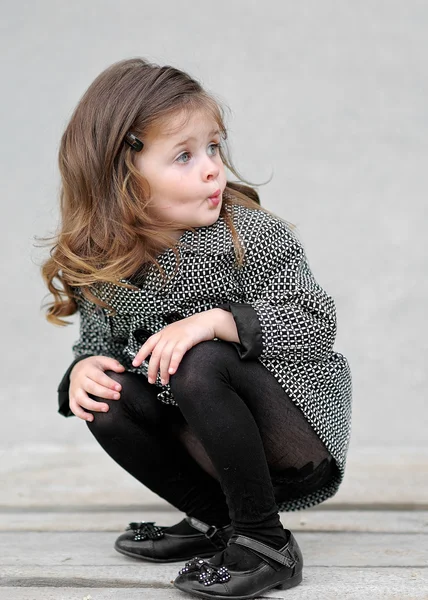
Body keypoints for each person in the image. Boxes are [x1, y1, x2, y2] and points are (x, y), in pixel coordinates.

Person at [41, 57, 352, 599]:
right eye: (184, 156)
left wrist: (219, 323)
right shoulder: (106, 262)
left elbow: (315, 323)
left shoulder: (247, 233)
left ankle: (265, 540)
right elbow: (97, 343)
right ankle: (219, 523)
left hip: (291, 432)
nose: (212, 168)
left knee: (199, 358)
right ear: (122, 178)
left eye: (213, 148)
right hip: (203, 439)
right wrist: (83, 368)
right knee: (104, 395)